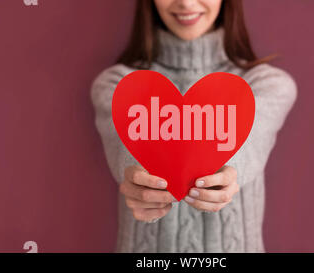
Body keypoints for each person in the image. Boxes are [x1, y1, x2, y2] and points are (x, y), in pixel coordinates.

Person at [91, 0, 297, 253]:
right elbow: (123, 150)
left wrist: (230, 172)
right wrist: (136, 177)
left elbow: (252, 142)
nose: (186, 3)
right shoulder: (117, 85)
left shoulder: (267, 84)